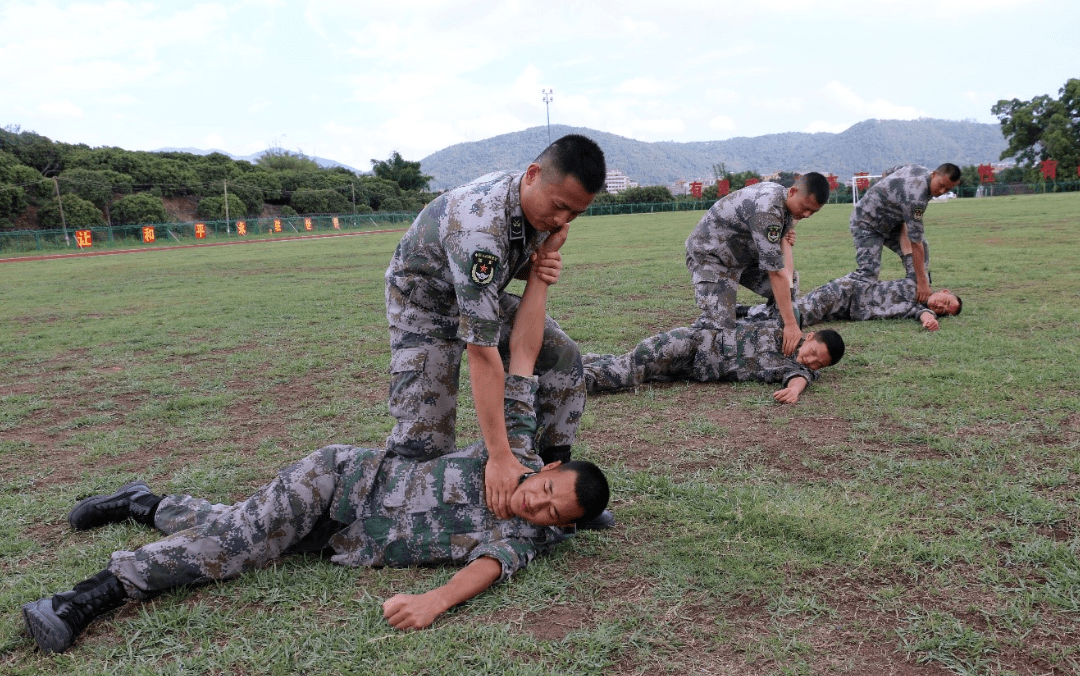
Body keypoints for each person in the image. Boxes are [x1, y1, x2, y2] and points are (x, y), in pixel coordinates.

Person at [21, 268, 611, 655]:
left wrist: (434, 602)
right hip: (337, 483)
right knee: (229, 548)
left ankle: (142, 502)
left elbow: (485, 569)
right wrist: (538, 276)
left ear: (559, 527)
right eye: (549, 492)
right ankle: (83, 599)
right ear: (552, 470)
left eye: (553, 515)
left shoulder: (527, 538)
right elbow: (526, 353)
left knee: (234, 526)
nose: (536, 504)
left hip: (342, 540)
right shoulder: (514, 449)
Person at [384, 134, 610, 528]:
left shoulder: (536, 205)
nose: (562, 221)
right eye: (560, 208)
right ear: (533, 175)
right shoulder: (479, 230)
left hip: (475, 294)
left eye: (574, 215)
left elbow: (504, 277)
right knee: (424, 446)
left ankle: (553, 480)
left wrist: (539, 266)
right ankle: (385, 504)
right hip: (425, 308)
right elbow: (482, 354)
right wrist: (499, 456)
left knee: (561, 355)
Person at [685, 172, 831, 361]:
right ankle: (706, 324)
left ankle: (761, 321)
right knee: (721, 342)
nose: (807, 215)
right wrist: (791, 324)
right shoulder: (767, 210)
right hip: (711, 258)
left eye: (813, 212)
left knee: (790, 284)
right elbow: (775, 273)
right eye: (805, 208)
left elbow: (786, 272)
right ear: (793, 191)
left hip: (742, 258)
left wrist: (786, 242)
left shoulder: (787, 206)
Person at [582, 315, 845, 405]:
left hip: (690, 371)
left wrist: (794, 391)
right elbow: (783, 280)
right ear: (809, 336)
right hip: (690, 344)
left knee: (632, 366)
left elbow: (801, 378)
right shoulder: (784, 326)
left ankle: (572, 365)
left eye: (818, 363)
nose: (809, 361)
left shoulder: (796, 367)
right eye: (812, 353)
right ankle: (569, 382)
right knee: (629, 372)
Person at [849, 163, 960, 302]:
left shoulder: (917, 168)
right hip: (867, 223)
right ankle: (841, 294)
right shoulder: (917, 197)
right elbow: (915, 242)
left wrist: (887, 199)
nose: (942, 191)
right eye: (941, 185)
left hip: (891, 222)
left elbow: (889, 172)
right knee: (868, 273)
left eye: (948, 189)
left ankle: (914, 289)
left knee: (922, 250)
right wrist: (923, 280)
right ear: (934, 174)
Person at [741, 272, 963, 331]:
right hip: (846, 292)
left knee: (800, 313)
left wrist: (930, 319)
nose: (940, 306)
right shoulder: (918, 280)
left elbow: (922, 314)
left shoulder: (915, 308)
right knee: (798, 316)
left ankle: (746, 312)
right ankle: (746, 315)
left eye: (944, 311)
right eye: (945, 301)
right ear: (943, 290)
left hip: (846, 311)